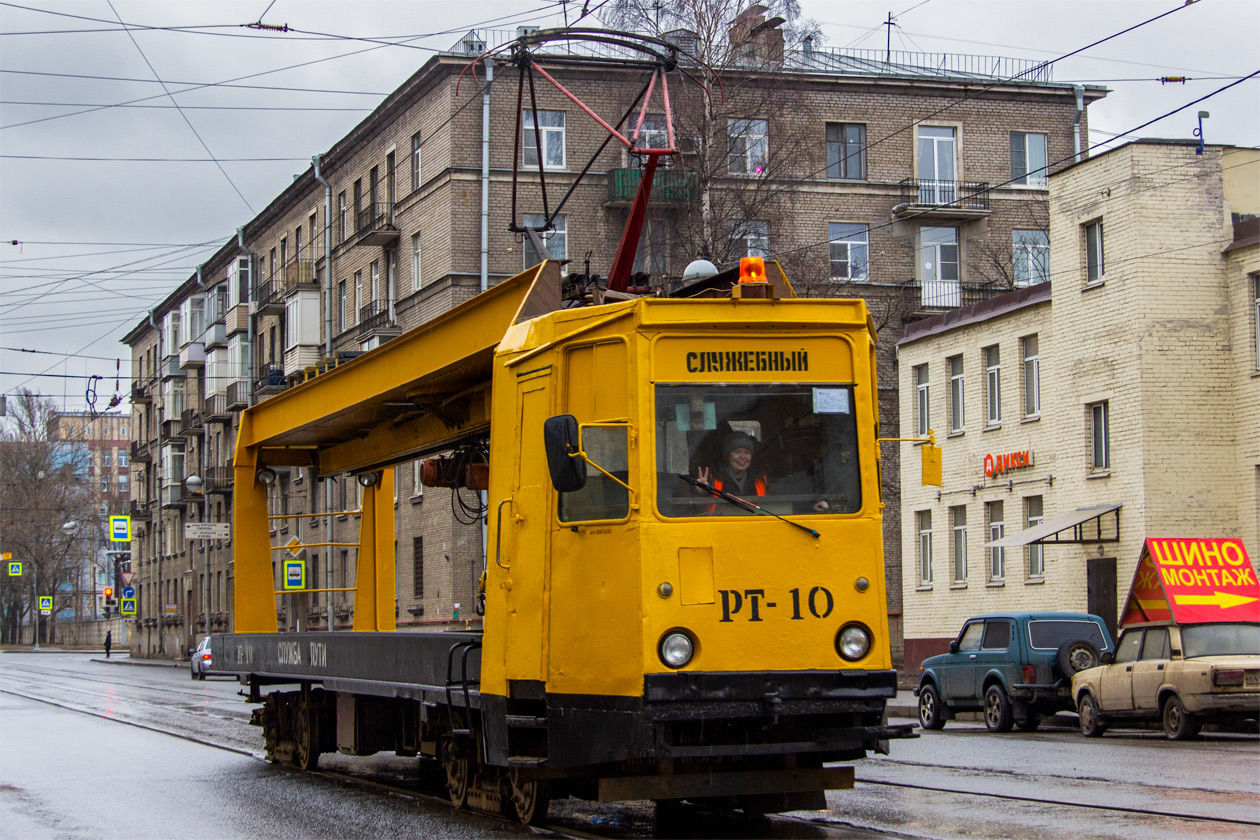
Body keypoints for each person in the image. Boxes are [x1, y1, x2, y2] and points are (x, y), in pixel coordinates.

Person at [695, 432, 767, 508]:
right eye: (737, 452)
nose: (742, 457)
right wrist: (703, 494)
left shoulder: (760, 478)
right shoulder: (712, 478)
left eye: (747, 452)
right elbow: (698, 510)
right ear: (727, 455)